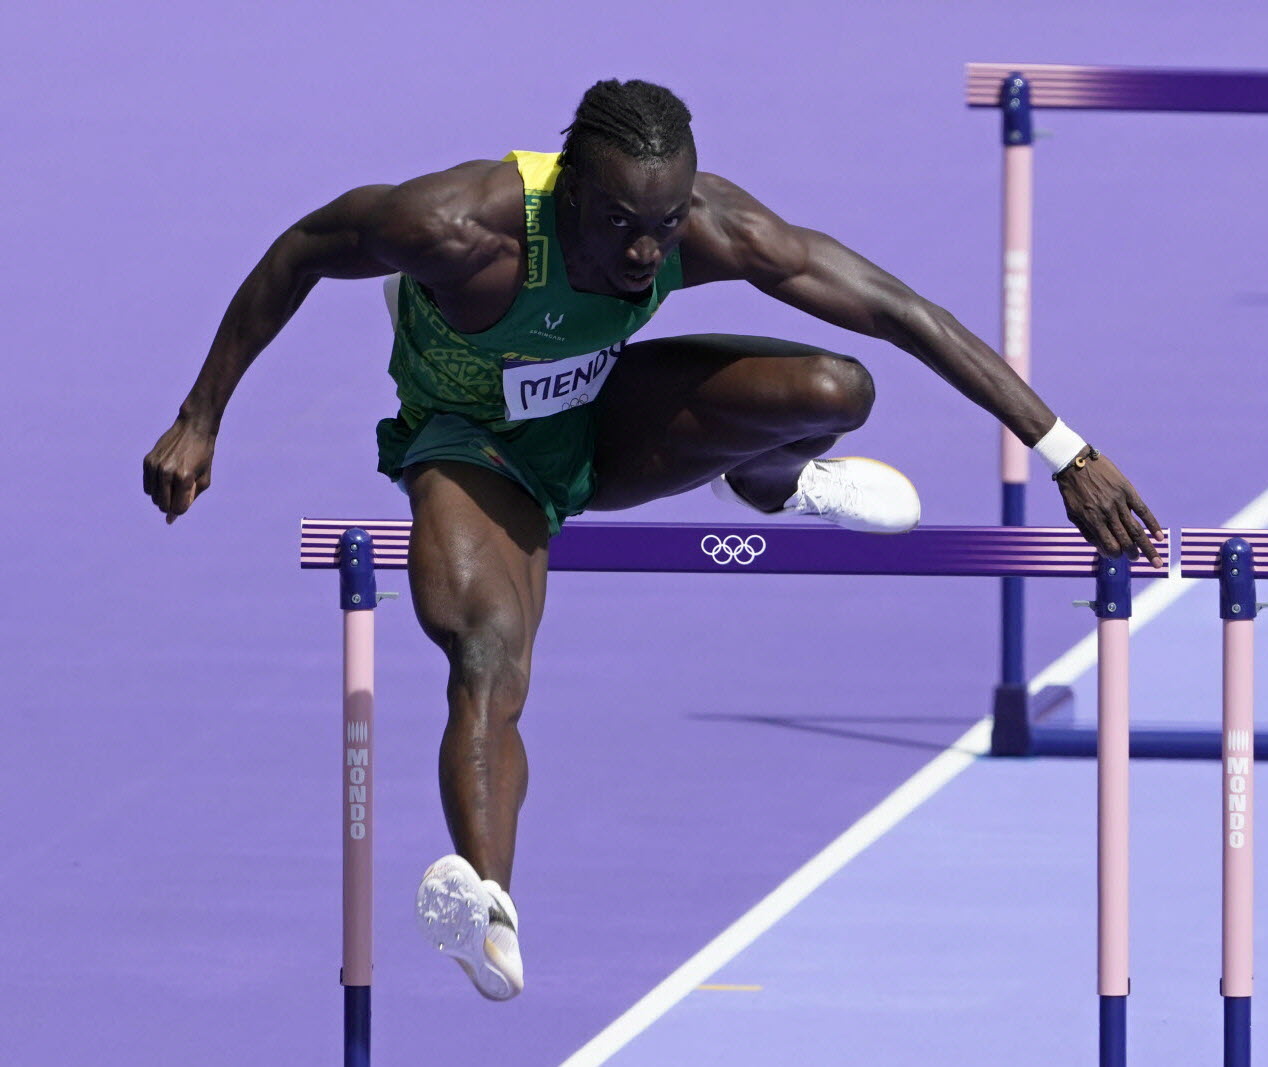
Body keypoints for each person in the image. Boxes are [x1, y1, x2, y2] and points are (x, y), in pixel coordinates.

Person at [143, 78, 1162, 1001]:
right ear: (567, 196)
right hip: (472, 446)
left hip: (605, 417)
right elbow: (302, 251)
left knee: (835, 386)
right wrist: (201, 414)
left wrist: (1065, 450)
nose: (645, 252)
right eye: (624, 225)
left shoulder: (703, 230)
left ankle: (772, 481)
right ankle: (488, 903)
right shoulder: (456, 226)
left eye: (665, 224)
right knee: (486, 654)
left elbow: (901, 310)